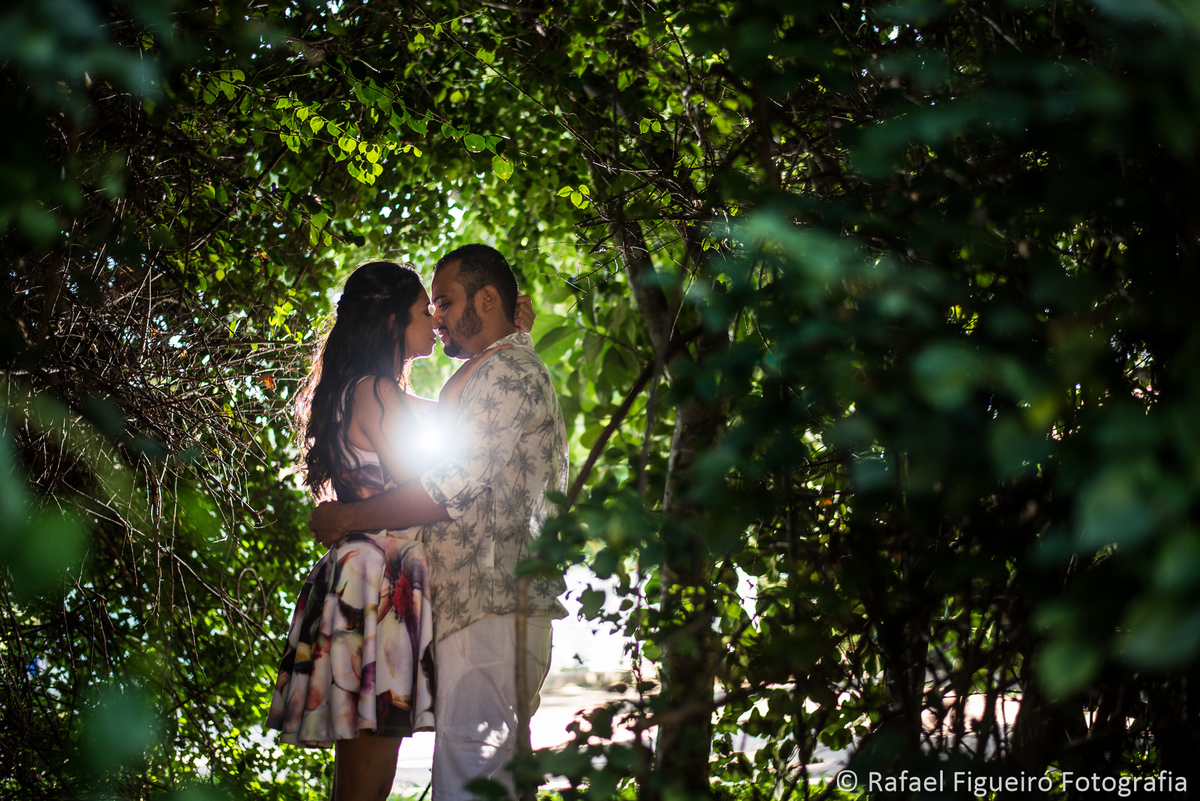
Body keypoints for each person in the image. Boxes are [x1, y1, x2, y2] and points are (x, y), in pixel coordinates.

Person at [266, 259, 535, 801]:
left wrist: (510, 338)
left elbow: (465, 415)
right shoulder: (378, 391)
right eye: (423, 310)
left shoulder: (367, 390)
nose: (435, 319)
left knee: (367, 755)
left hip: (369, 572)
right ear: (393, 321)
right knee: (371, 757)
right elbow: (427, 489)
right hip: (379, 576)